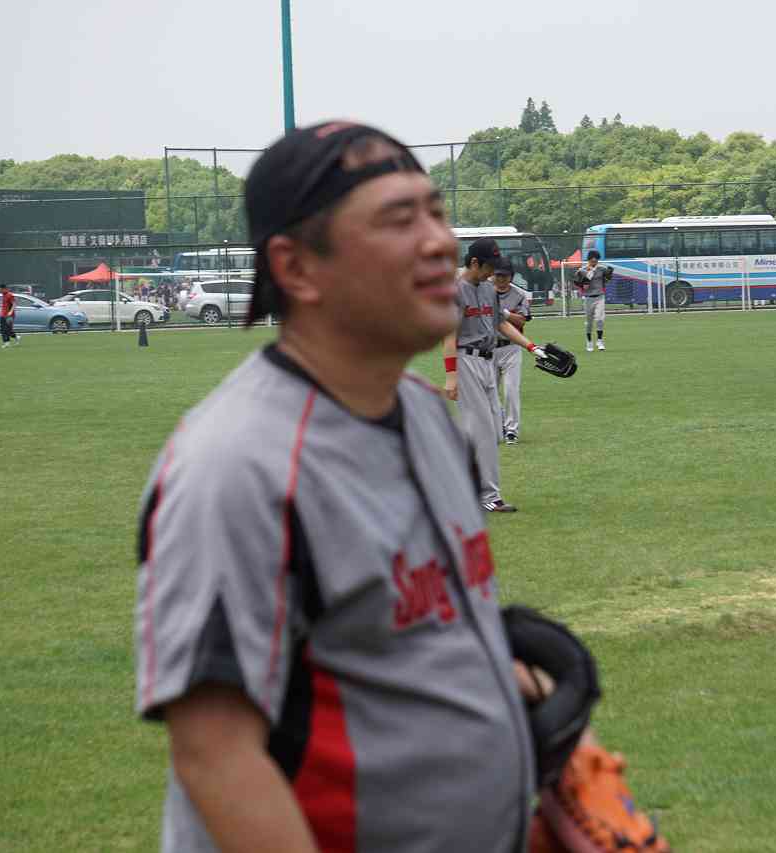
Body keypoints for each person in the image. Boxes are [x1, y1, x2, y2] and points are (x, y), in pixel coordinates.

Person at [135, 121, 539, 853]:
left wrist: (519, 692)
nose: (438, 242)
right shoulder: (238, 465)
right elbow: (216, 757)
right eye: (398, 220)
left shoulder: (423, 415)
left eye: (436, 213)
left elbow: (402, 642)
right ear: (296, 267)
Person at [443, 237, 550, 513]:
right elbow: (449, 335)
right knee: (483, 433)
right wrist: (451, 376)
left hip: (488, 361)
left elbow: (501, 325)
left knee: (492, 433)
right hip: (466, 361)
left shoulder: (488, 290)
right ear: (474, 262)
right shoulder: (455, 291)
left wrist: (531, 346)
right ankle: (489, 496)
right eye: (489, 266)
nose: (493, 272)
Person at [491, 258, 532, 446]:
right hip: (488, 347)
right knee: (490, 392)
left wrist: (505, 314)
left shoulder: (519, 294)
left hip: (511, 347)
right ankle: (499, 422)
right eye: (497, 275)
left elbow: (522, 320)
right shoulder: (484, 291)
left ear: (511, 276)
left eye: (504, 276)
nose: (500, 279)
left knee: (510, 391)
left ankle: (511, 430)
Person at [572, 250, 611, 352]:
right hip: (588, 298)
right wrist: (582, 282)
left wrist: (609, 274)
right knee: (589, 322)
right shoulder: (582, 270)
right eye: (592, 260)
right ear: (589, 260)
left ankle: (600, 341)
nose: (594, 262)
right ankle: (589, 342)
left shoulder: (602, 269)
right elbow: (577, 282)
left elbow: (607, 279)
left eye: (596, 260)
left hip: (600, 297)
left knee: (599, 319)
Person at [0, 283, 20, 348]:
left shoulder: (10, 295)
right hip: (3, 315)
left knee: (7, 329)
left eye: (0, 289)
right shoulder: (3, 295)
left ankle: (7, 343)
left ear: (4, 289)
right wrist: (0, 312)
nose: (0, 291)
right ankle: (15, 338)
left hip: (9, 316)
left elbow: (14, 304)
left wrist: (10, 312)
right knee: (3, 329)